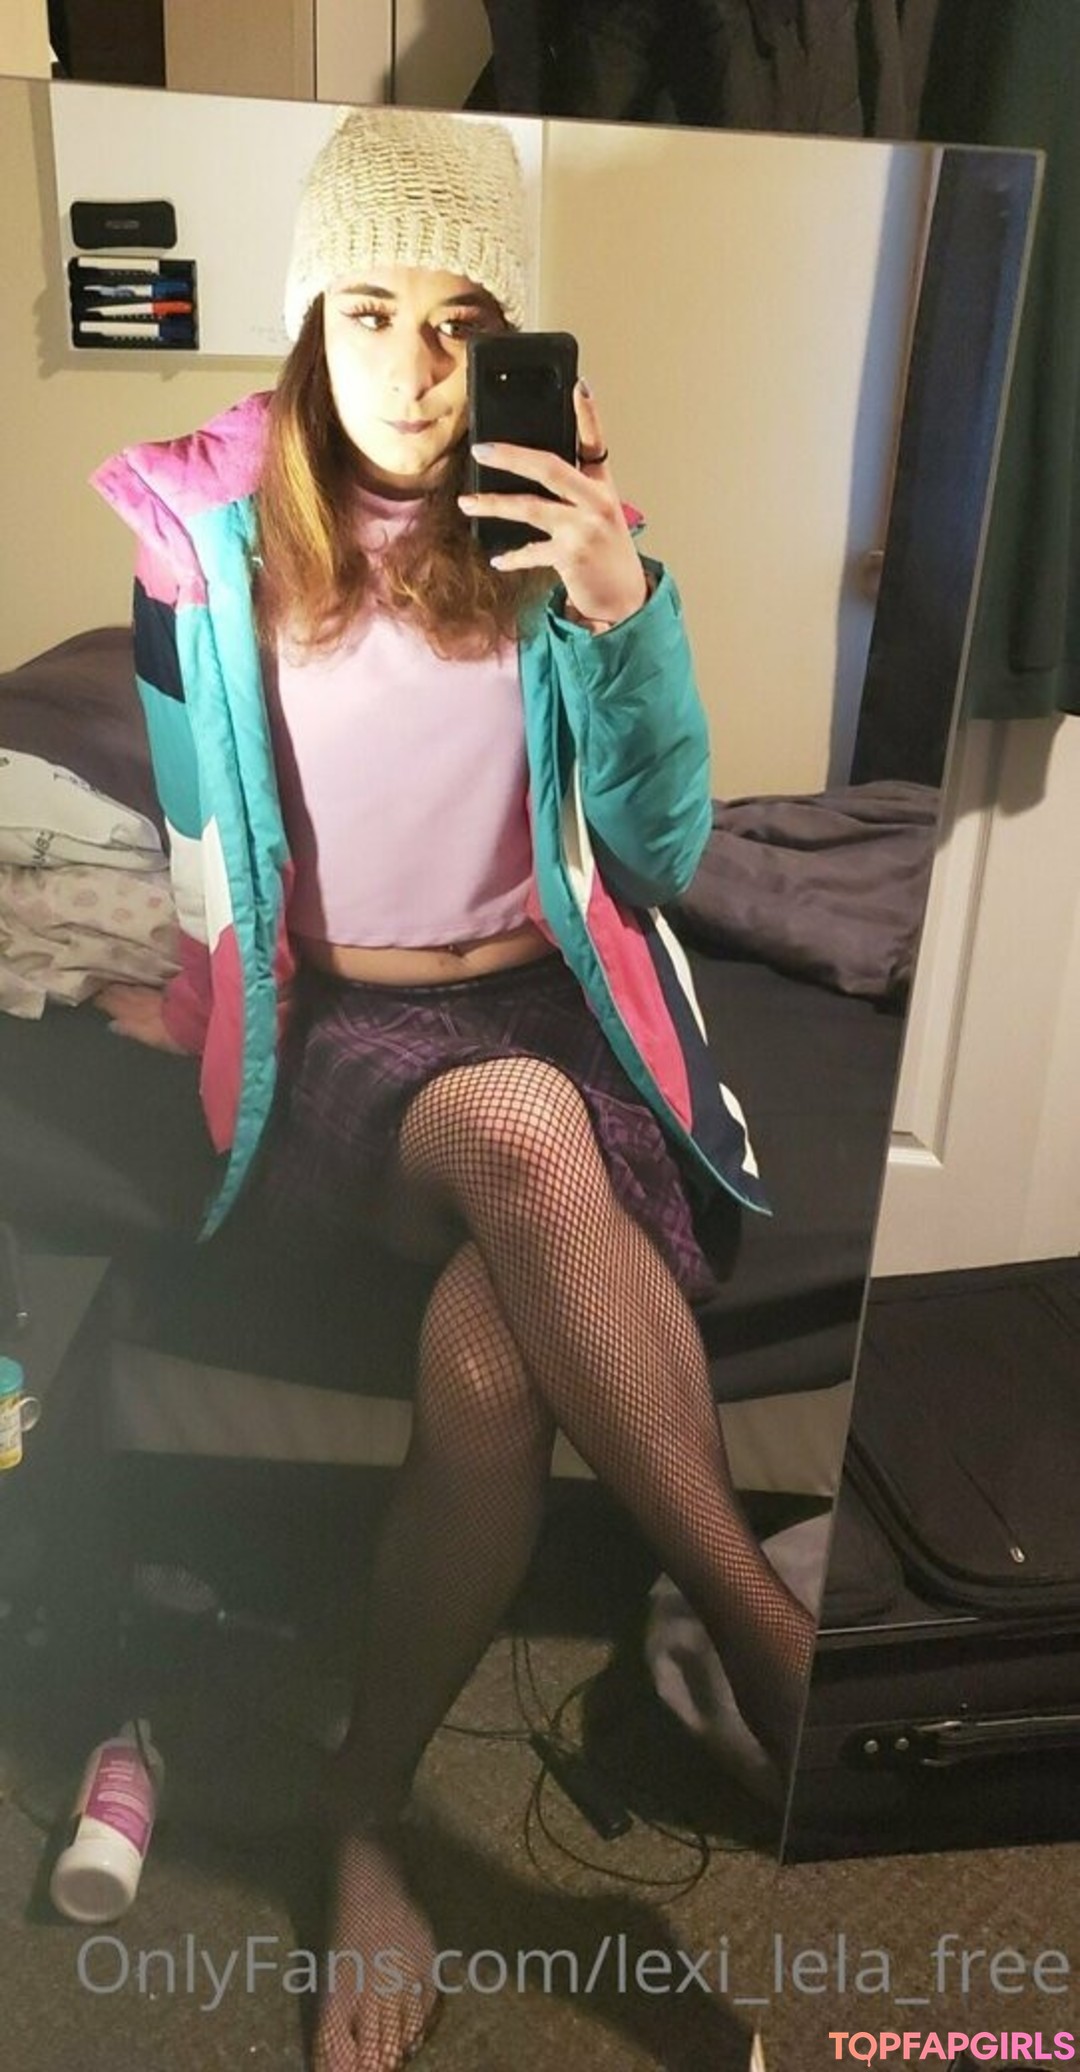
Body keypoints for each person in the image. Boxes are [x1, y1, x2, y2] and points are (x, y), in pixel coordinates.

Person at [92, 106, 815, 2072]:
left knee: (492, 1361)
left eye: (461, 320)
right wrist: (194, 1013)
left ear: (513, 340)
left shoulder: (559, 539)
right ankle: (771, 1639)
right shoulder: (206, 548)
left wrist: (625, 615)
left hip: (565, 1010)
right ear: (308, 320)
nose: (413, 368)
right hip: (359, 1052)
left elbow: (657, 854)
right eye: (369, 310)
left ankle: (363, 1809)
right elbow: (202, 845)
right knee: (511, 1132)